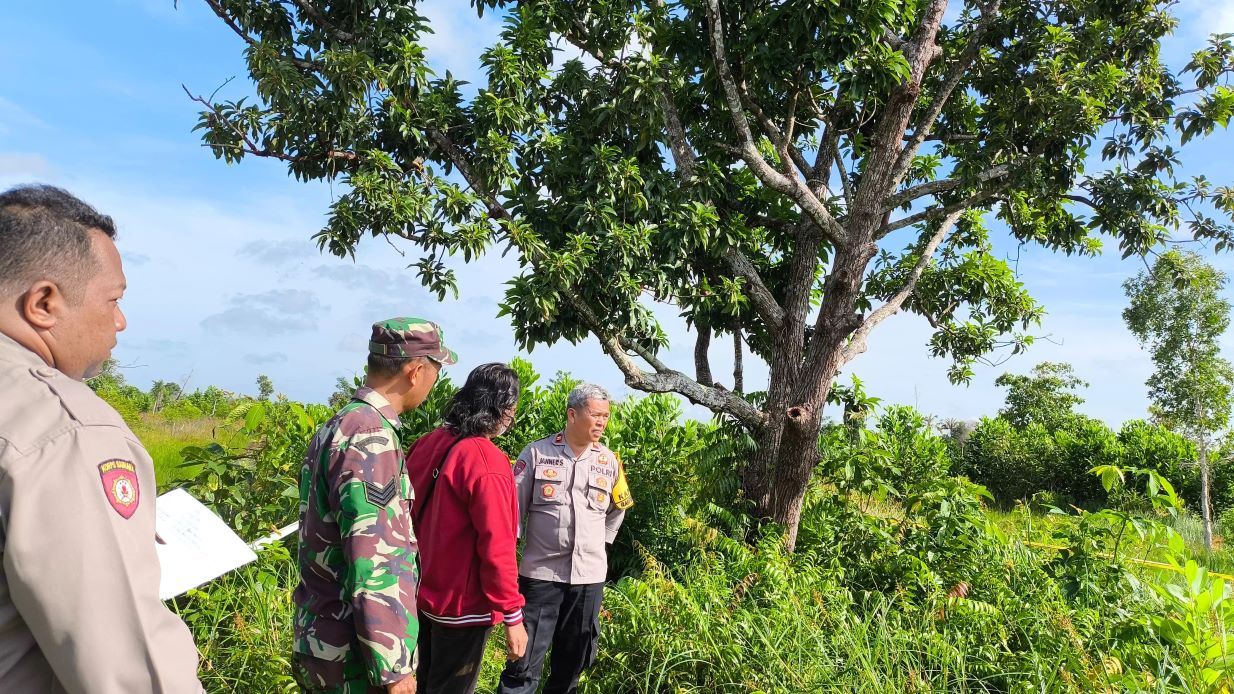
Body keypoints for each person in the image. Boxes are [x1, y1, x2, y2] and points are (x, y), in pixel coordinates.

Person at [0, 184, 204, 692]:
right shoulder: (64, 428)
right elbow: (131, 673)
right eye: (112, 299)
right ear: (43, 303)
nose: (120, 321)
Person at [293, 318, 457, 694]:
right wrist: (394, 669)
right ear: (416, 371)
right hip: (355, 655)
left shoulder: (339, 425)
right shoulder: (371, 436)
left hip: (325, 638)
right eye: (435, 371)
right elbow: (375, 559)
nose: (434, 383)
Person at [497, 384, 633, 694]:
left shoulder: (609, 461)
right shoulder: (535, 453)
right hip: (541, 577)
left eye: (606, 416)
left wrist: (601, 542)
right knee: (523, 665)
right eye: (595, 415)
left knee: (572, 666)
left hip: (588, 579)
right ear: (572, 414)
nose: (601, 422)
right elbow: (512, 511)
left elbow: (618, 508)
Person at [405, 363, 530, 694]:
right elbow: (497, 547)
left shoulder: (428, 443)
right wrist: (513, 616)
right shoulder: (488, 462)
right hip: (461, 607)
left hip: (417, 595)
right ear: (502, 409)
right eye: (512, 409)